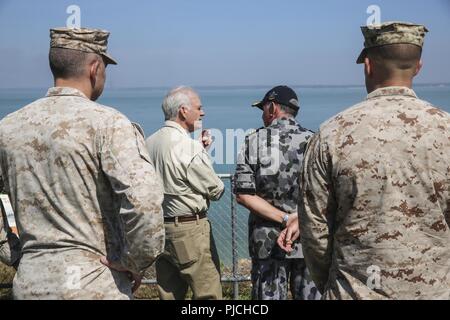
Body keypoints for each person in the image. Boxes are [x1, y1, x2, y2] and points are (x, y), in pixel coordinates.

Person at [280, 21, 450, 299]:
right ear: (419, 67)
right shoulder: (445, 130)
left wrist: (331, 286)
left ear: (367, 65)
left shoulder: (331, 134)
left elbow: (314, 231)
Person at [0, 27, 165, 299]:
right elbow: (145, 202)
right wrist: (133, 262)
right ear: (94, 67)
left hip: (30, 284)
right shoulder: (108, 124)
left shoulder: (7, 129)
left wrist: (13, 252)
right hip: (95, 284)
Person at [233, 86, 320, 300]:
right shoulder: (316, 141)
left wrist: (284, 218)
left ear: (272, 108)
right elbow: (325, 193)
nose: (262, 115)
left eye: (263, 109)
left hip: (267, 243)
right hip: (307, 237)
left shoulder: (252, 142)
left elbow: (243, 194)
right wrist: (297, 218)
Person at [146, 86, 225, 300]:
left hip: (160, 228)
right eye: (199, 108)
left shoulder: (148, 143)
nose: (203, 113)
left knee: (169, 293)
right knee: (207, 294)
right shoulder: (188, 148)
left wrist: (199, 150)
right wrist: (201, 153)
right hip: (190, 230)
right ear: (183, 110)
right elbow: (217, 189)